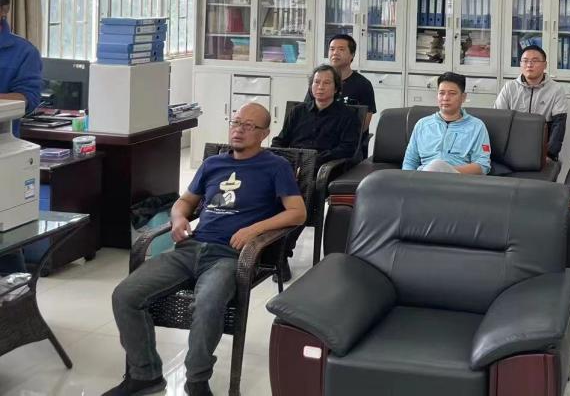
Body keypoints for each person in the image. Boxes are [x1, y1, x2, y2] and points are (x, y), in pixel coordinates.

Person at [103, 103, 306, 396]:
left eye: (248, 125)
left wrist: (254, 229)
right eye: (236, 122)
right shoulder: (213, 164)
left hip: (230, 255)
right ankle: (145, 374)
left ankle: (197, 380)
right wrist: (178, 218)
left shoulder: (275, 166)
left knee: (208, 303)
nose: (239, 129)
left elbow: (297, 212)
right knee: (125, 295)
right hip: (190, 248)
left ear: (264, 133)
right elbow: (185, 201)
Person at [272, 64, 361, 275]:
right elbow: (280, 139)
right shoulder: (298, 112)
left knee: (306, 191)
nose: (320, 87)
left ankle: (281, 253)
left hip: (323, 170)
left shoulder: (347, 115)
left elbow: (347, 149)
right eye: (316, 82)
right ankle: (261, 246)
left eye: (326, 83)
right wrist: (281, 157)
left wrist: (313, 160)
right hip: (292, 166)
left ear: (336, 88)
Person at [0, 0, 42, 276]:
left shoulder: (22, 51)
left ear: (3, 10)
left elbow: (28, 99)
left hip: (4, 145)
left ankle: (17, 295)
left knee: (6, 246)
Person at [402, 72, 491, 174]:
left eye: (452, 93)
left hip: (457, 179)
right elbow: (409, 162)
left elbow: (483, 165)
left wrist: (447, 171)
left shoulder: (477, 126)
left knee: (436, 165)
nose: (445, 98)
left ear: (463, 97)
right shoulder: (422, 124)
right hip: (423, 178)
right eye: (441, 93)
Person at [494, 44, 568, 162]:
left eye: (535, 61)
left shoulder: (556, 89)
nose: (529, 65)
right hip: (511, 148)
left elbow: (558, 126)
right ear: (520, 64)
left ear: (545, 65)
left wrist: (550, 154)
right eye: (525, 61)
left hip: (542, 150)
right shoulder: (509, 87)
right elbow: (498, 120)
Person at [326, 34, 376, 134]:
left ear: (352, 55)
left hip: (347, 139)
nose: (335, 53)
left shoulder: (363, 84)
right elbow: (306, 113)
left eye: (341, 49)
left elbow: (363, 126)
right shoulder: (320, 81)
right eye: (332, 49)